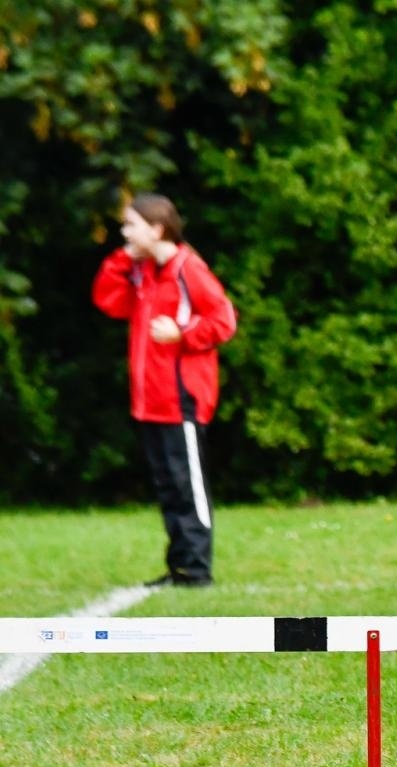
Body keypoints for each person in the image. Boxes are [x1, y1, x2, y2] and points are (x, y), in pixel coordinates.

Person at [92, 193, 236, 586]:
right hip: (150, 401)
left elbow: (224, 320)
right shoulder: (143, 270)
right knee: (169, 487)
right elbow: (110, 301)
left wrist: (182, 333)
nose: (124, 232)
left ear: (156, 228)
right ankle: (180, 567)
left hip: (181, 399)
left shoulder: (189, 269)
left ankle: (197, 569)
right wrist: (124, 258)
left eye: (130, 225)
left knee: (188, 487)